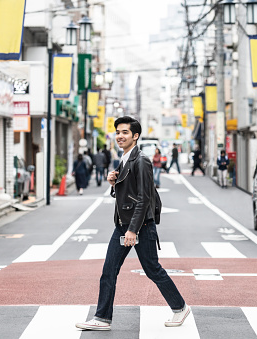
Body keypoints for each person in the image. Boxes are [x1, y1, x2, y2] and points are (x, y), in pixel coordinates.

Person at [76, 116, 190, 331]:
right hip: (123, 225)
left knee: (153, 269)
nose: (120, 136)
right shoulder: (125, 158)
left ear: (135, 136)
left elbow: (144, 198)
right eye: (118, 132)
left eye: (125, 132)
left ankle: (180, 307)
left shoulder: (141, 160)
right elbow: (127, 194)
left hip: (140, 227)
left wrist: (132, 230)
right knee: (109, 271)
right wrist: (113, 184)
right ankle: (102, 318)